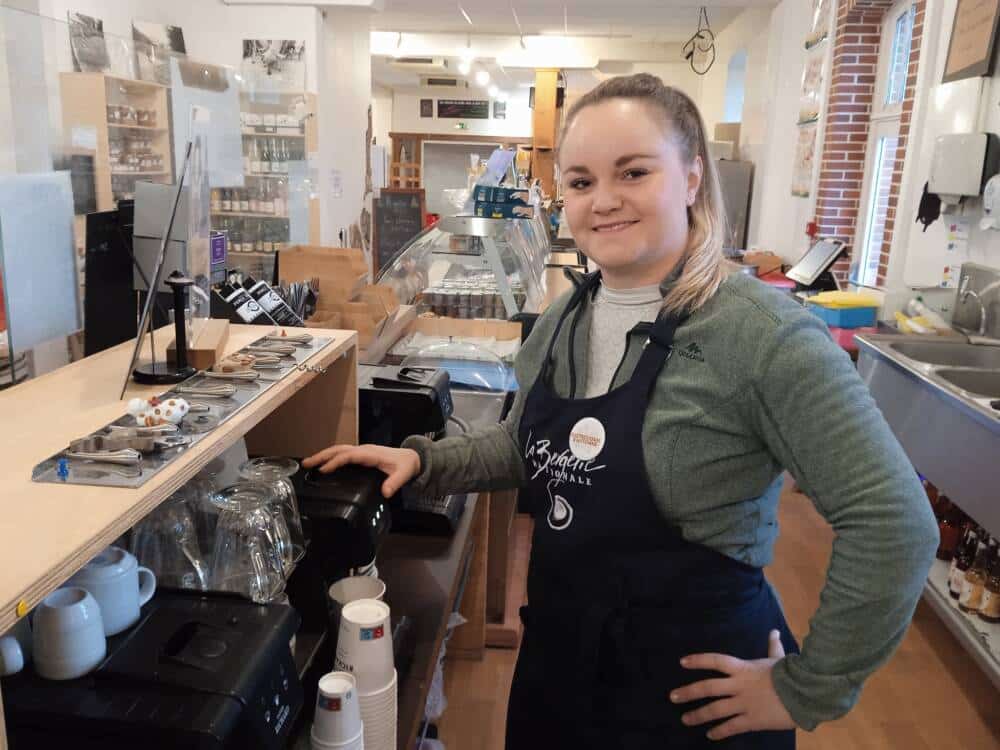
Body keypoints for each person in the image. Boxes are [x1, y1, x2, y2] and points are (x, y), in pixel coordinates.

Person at [304, 74, 939, 748]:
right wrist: (423, 460)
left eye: (632, 172)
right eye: (579, 182)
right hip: (560, 670)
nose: (603, 201)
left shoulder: (763, 336)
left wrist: (806, 690)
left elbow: (893, 523)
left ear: (692, 178)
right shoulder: (566, 316)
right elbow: (532, 450)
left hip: (692, 699)